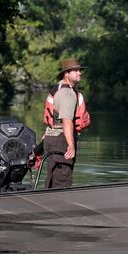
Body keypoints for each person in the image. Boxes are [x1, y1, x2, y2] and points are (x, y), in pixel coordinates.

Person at [42, 58, 91, 188]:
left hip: (52, 139)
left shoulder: (58, 88)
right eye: (75, 70)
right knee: (62, 182)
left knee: (52, 180)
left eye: (79, 70)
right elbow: (67, 120)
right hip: (61, 141)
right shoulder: (67, 93)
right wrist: (70, 145)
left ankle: (48, 205)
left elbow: (54, 118)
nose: (79, 73)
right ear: (66, 74)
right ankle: (60, 207)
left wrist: (46, 135)